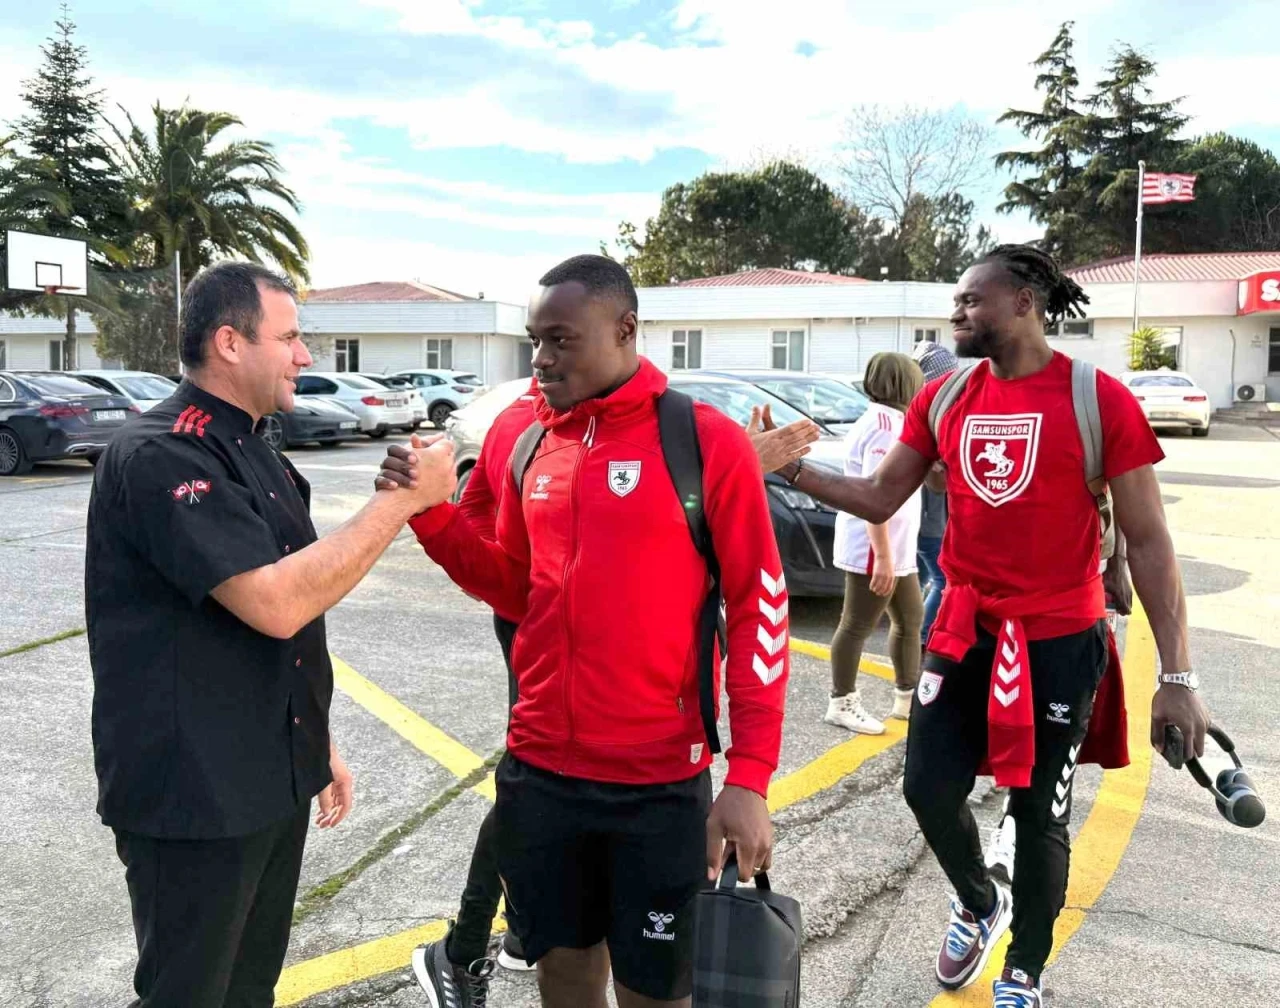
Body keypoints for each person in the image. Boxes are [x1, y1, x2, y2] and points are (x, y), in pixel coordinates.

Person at [763, 244, 1210, 1007]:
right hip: (964, 628)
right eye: (957, 300)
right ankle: (979, 901)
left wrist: (1177, 676)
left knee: (1039, 814)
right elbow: (879, 496)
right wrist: (791, 468)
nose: (957, 311)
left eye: (972, 299)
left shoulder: (1097, 399)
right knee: (927, 788)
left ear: (1025, 302)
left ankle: (1023, 970)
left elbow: (1150, 542)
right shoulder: (944, 398)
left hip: (1060, 639)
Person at [378, 254, 789, 1008]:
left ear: (625, 330)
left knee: (655, 995)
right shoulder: (532, 442)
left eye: (561, 339)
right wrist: (430, 516)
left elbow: (761, 608)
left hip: (658, 786)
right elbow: (515, 586)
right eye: (536, 340)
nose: (541, 358)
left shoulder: (703, 441)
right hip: (541, 774)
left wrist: (750, 776)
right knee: (563, 975)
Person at [85, 261, 456, 1008]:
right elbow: (276, 603)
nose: (305, 355)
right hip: (194, 793)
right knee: (189, 994)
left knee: (250, 987)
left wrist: (313, 740)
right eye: (288, 338)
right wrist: (401, 505)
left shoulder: (257, 448)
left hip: (267, 778)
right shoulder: (164, 453)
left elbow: (294, 612)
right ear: (230, 342)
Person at [824, 352, 925, 735]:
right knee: (856, 624)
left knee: (910, 619)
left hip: (895, 546)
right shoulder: (884, 426)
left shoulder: (893, 420)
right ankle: (841, 702)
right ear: (905, 382)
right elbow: (873, 495)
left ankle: (907, 698)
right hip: (875, 546)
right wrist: (882, 555)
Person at [910, 339, 960, 649]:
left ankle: (909, 634)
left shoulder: (924, 410)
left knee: (917, 579)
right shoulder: (928, 413)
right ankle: (921, 637)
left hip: (920, 516)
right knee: (942, 580)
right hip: (927, 517)